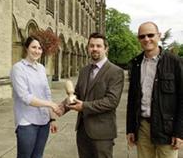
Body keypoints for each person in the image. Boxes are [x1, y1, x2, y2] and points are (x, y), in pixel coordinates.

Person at [60, 32, 124, 158]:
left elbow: (111, 101)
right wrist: (62, 107)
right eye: (91, 45)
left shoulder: (115, 72)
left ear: (106, 49)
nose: (94, 49)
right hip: (83, 132)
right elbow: (77, 94)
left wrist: (84, 106)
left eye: (98, 46)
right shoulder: (84, 71)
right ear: (88, 48)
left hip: (102, 134)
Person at [126, 21, 183, 158]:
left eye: (150, 35)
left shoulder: (175, 62)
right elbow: (132, 99)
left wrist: (179, 132)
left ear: (159, 36)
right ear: (138, 39)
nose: (146, 39)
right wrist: (130, 129)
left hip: (166, 129)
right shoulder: (136, 63)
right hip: (143, 127)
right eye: (142, 36)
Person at [10, 35, 60, 158]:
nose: (37, 51)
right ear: (26, 48)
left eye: (39, 48)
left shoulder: (41, 68)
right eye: (33, 47)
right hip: (27, 122)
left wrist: (52, 119)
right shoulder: (18, 69)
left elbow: (47, 94)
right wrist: (51, 105)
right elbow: (25, 97)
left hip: (44, 121)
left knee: (38, 156)